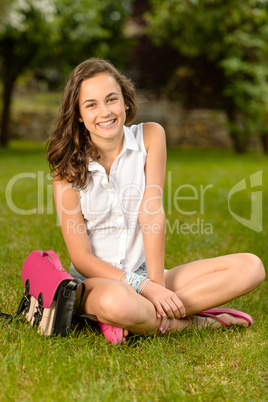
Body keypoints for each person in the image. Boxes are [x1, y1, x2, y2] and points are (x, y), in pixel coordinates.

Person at [46, 58, 265, 344]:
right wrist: (143, 287)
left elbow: (152, 213)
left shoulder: (150, 136)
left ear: (125, 101)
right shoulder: (65, 171)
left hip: (147, 272)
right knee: (117, 303)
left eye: (112, 99)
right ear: (78, 114)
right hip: (97, 282)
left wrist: (156, 286)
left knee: (251, 267)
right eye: (91, 105)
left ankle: (141, 319)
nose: (105, 112)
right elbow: (82, 259)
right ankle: (192, 323)